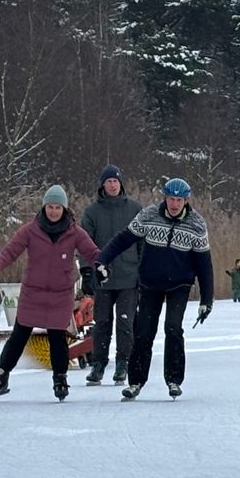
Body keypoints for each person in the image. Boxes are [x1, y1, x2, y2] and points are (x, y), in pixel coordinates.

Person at [0, 185, 100, 402]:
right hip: (32, 293)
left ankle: (60, 379)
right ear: (44, 208)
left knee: (57, 337)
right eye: (50, 207)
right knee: (18, 336)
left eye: (57, 207)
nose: (53, 211)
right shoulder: (31, 230)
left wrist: (101, 267)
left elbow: (92, 252)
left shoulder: (74, 232)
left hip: (60, 294)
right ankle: (0, 378)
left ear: (64, 209)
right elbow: (10, 250)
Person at [96, 178, 214, 400]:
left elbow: (204, 266)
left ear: (186, 200)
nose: (175, 204)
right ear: (165, 198)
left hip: (180, 284)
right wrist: (102, 260)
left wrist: (206, 300)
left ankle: (173, 380)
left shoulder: (196, 224)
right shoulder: (149, 216)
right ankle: (136, 382)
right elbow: (123, 239)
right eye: (171, 199)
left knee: (173, 327)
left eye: (179, 200)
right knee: (143, 332)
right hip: (150, 283)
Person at [79, 165, 142, 385]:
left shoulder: (135, 209)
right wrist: (87, 271)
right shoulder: (92, 212)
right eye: (109, 182)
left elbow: (143, 242)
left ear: (121, 183)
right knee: (102, 322)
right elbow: (84, 243)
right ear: (103, 185)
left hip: (129, 275)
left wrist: (144, 272)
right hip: (102, 277)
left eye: (116, 181)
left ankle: (123, 363)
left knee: (125, 322)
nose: (113, 185)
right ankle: (98, 364)